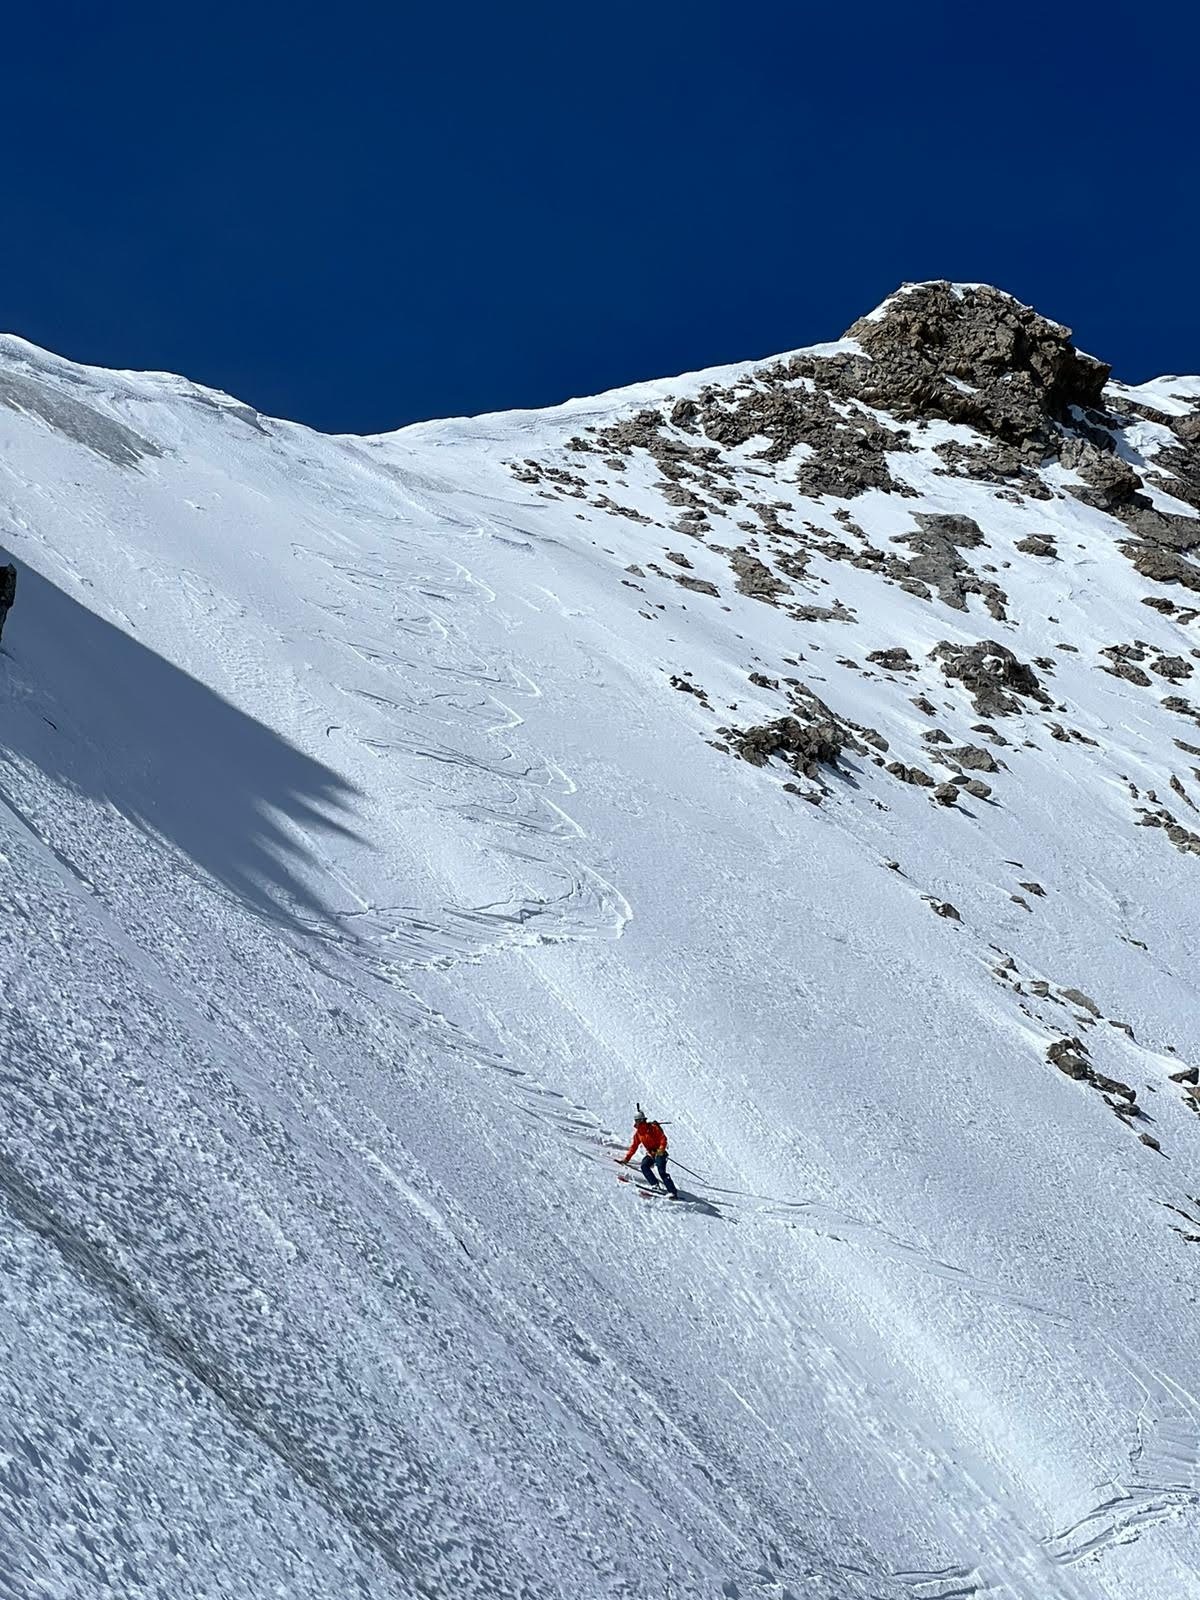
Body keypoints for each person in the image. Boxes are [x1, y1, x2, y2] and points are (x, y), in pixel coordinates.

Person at [616, 1105, 678, 1198]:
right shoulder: (638, 1134)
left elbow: (663, 1139)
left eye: (639, 1120)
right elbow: (634, 1146)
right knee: (644, 1166)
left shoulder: (653, 1128)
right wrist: (626, 1159)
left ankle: (672, 1191)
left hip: (660, 1153)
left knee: (661, 1171)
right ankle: (655, 1185)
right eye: (636, 1121)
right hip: (651, 1154)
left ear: (642, 1120)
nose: (637, 1122)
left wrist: (661, 1149)